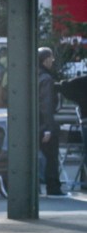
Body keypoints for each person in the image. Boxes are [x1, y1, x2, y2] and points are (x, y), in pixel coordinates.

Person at [38, 47, 68, 197]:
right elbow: (47, 104)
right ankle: (53, 187)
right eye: (51, 59)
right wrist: (49, 128)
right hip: (45, 125)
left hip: (33, 124)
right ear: (46, 60)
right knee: (51, 157)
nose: (52, 62)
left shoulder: (33, 76)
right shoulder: (47, 79)